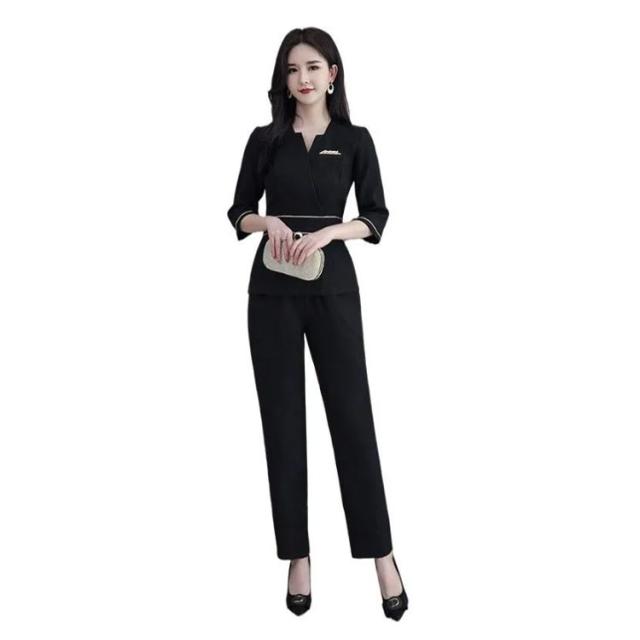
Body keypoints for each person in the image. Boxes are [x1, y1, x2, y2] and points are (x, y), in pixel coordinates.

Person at [226, 27, 409, 620]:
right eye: (291, 69)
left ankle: (382, 554)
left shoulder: (355, 140)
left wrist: (331, 230)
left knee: (353, 421)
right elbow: (238, 209)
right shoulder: (265, 140)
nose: (301, 78)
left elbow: (376, 214)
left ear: (333, 74)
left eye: (312, 67)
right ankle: (297, 555)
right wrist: (267, 223)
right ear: (283, 80)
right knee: (282, 424)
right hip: (271, 292)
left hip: (334, 291)